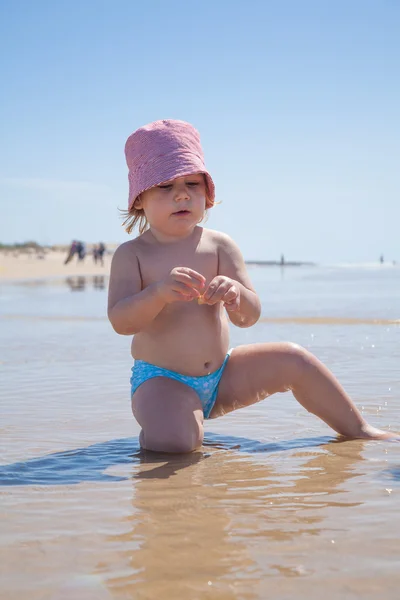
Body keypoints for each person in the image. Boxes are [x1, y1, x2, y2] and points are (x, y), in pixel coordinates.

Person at [108, 119, 398, 453]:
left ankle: (358, 429)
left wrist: (235, 295)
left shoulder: (220, 246)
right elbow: (121, 321)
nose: (182, 193)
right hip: (162, 381)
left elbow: (250, 316)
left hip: (223, 375)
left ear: (208, 193)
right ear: (139, 199)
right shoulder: (133, 254)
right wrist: (157, 293)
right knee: (176, 443)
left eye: (192, 183)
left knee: (294, 358)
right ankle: (163, 432)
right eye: (165, 185)